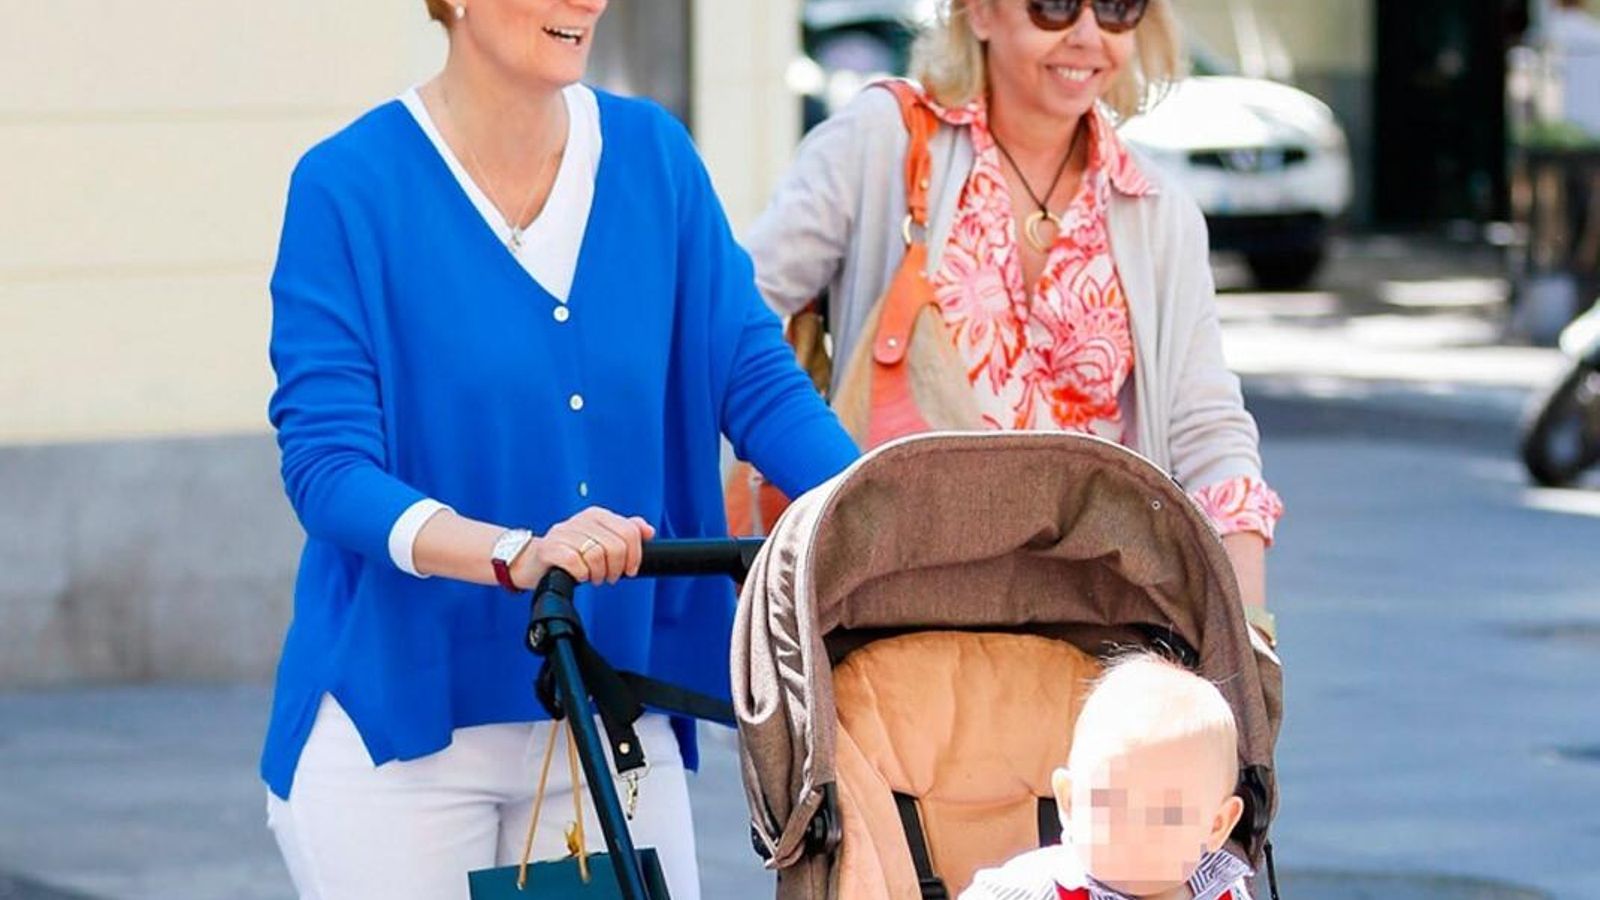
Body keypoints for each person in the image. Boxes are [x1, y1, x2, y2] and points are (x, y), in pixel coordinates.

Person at [260, 1, 858, 898]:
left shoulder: (655, 160)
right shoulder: (349, 187)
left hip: (608, 703)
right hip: (401, 722)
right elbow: (328, 468)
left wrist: (886, 516)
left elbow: (760, 385)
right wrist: (516, 555)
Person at [747, 0, 1283, 643]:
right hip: (894, 610)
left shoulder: (1156, 211)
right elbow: (741, 321)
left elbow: (1208, 429)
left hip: (1095, 620)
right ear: (977, 12)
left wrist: (1249, 636)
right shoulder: (885, 140)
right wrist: (833, 484)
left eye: (1116, 9)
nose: (1087, 36)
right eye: (1053, 7)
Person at [962, 654, 1253, 900]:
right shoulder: (1032, 888)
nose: (1136, 833)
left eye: (1167, 814)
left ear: (1216, 825)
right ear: (1070, 802)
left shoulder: (1226, 890)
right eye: (1112, 805)